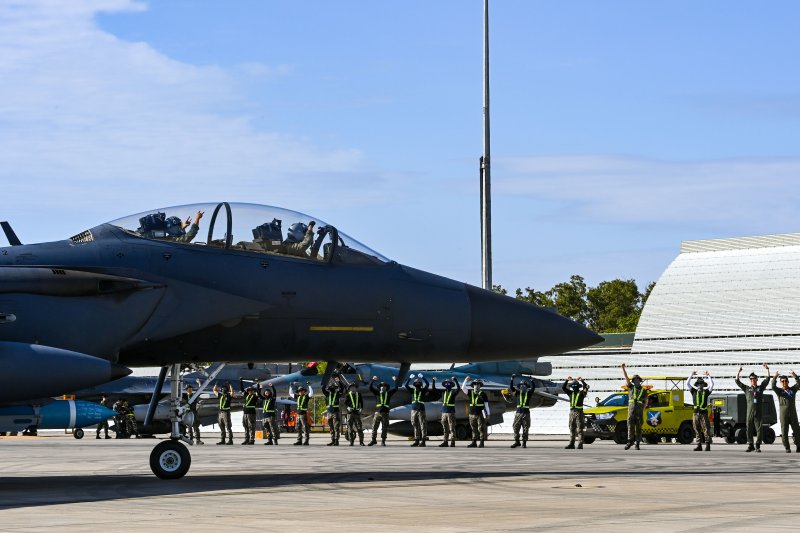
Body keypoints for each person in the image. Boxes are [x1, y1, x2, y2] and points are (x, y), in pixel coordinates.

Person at [735, 364, 771, 452]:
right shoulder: (747, 389)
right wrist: (738, 372)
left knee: (759, 428)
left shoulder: (760, 388)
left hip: (758, 411)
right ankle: (750, 444)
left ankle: (758, 445)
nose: (753, 380)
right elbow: (737, 381)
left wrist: (767, 369)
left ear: (756, 379)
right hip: (750, 412)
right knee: (749, 428)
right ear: (750, 380)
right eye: (751, 379)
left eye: (754, 379)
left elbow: (767, 379)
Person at [771, 370, 800, 453]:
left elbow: (799, 383)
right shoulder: (780, 391)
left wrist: (795, 376)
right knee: (784, 432)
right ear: (781, 382)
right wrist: (775, 377)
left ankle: (799, 446)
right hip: (783, 416)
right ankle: (787, 448)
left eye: (785, 381)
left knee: (797, 431)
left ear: (788, 382)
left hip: (793, 414)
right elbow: (773, 386)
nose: (784, 382)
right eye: (782, 381)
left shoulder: (792, 390)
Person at [685, 371, 714, 451]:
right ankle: (699, 445)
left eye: (701, 384)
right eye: (698, 384)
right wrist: (691, 375)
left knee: (706, 429)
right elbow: (687, 383)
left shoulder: (706, 392)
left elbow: (712, 385)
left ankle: (707, 445)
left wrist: (708, 375)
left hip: (703, 414)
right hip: (695, 414)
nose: (699, 385)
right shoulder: (693, 391)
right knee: (696, 429)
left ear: (703, 385)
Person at [621, 364, 647, 450]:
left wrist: (643, 408)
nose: (636, 381)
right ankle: (630, 441)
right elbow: (626, 378)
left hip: (639, 411)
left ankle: (637, 443)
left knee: (639, 427)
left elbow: (646, 400)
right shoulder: (631, 388)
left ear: (639, 381)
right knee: (630, 426)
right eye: (635, 380)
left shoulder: (644, 390)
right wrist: (623, 368)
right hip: (631, 410)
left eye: (637, 380)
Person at [368, 376, 398, 446]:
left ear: (386, 388)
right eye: (381, 386)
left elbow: (396, 388)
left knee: (384, 428)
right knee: (374, 427)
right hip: (377, 413)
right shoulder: (377, 393)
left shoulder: (389, 394)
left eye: (384, 386)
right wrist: (373, 380)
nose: (383, 387)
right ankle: (373, 440)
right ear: (379, 387)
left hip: (385, 413)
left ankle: (383, 441)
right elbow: (370, 388)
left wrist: (395, 380)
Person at [433, 376, 460, 447]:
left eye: (449, 384)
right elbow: (434, 389)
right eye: (446, 384)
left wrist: (455, 380)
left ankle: (452, 442)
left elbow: (458, 389)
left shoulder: (453, 392)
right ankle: (445, 442)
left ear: (451, 385)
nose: (447, 385)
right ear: (445, 385)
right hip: (444, 413)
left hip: (451, 413)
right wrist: (433, 381)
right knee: (445, 428)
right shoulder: (443, 392)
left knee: (452, 428)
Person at [463, 376, 490, 448]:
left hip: (480, 414)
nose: (476, 385)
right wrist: (466, 380)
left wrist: (488, 414)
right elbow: (463, 388)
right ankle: (474, 442)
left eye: (478, 384)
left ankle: (481, 442)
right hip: (471, 414)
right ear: (473, 385)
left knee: (481, 428)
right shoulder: (470, 393)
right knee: (473, 429)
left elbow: (486, 405)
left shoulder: (483, 394)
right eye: (475, 384)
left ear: (480, 385)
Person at [563, 376, 589, 450]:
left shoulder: (581, 393)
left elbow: (586, 387)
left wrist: (582, 381)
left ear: (578, 386)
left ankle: (580, 444)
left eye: (575, 386)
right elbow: (563, 388)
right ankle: (571, 444)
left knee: (580, 429)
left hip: (579, 412)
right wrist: (567, 380)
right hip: (572, 412)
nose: (574, 387)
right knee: (571, 428)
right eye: (573, 386)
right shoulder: (570, 393)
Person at [509, 374, 534, 448]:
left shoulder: (528, 394)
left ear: (526, 387)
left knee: (526, 428)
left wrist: (532, 380)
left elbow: (533, 388)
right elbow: (511, 388)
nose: (523, 386)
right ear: (519, 387)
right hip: (518, 413)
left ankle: (524, 442)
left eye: (524, 385)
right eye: (521, 385)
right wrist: (512, 379)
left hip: (526, 413)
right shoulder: (517, 393)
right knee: (515, 427)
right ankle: (517, 441)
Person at [405, 374, 430, 447]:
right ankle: (416, 440)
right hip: (413, 410)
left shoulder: (423, 390)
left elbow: (427, 384)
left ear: (420, 384)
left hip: (421, 410)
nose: (417, 384)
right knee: (415, 425)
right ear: (414, 384)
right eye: (416, 383)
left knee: (423, 425)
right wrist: (409, 378)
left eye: (418, 383)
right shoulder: (412, 391)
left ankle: (423, 441)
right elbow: (406, 385)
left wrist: (423, 377)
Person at [324, 377, 346, 446]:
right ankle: (333, 440)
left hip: (335, 413)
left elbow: (342, 388)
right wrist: (326, 381)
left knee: (336, 427)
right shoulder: (327, 394)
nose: (332, 389)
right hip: (329, 413)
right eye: (331, 388)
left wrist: (339, 381)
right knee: (331, 428)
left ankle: (336, 441)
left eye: (333, 388)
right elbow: (322, 388)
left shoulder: (337, 394)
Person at [345, 382, 366, 446]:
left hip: (357, 413)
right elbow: (345, 403)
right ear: (350, 388)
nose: (353, 388)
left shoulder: (358, 394)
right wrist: (348, 407)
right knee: (350, 429)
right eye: (351, 387)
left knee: (359, 428)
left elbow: (361, 402)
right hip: (350, 414)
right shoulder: (347, 395)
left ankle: (361, 442)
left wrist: (361, 408)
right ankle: (351, 442)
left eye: (354, 387)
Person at [239, 380, 259, 445]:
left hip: (251, 413)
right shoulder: (246, 395)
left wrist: (258, 383)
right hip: (245, 413)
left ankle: (252, 439)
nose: (250, 391)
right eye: (249, 390)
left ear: (253, 391)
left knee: (251, 426)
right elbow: (242, 389)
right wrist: (241, 381)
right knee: (245, 426)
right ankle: (246, 439)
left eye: (251, 390)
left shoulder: (255, 396)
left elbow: (258, 391)